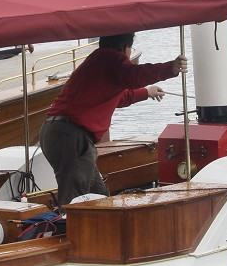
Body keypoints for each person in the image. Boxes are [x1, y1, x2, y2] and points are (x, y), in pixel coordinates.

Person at [39, 32, 186, 206]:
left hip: (57, 133)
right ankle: (72, 231)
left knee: (99, 195)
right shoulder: (111, 59)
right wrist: (170, 68)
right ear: (125, 48)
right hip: (71, 136)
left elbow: (121, 96)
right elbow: (133, 76)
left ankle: (100, 229)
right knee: (75, 201)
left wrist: (147, 92)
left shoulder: (99, 61)